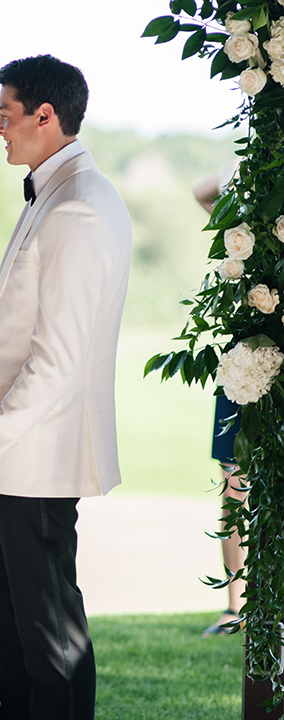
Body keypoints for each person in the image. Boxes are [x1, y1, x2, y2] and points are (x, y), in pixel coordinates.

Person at [0, 55, 132, 720]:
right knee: (4, 635)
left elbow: (56, 363)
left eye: (5, 115)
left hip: (35, 463)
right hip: (8, 457)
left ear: (46, 116)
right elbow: (16, 349)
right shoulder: (57, 193)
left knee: (49, 640)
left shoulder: (78, 209)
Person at [194, 171, 246, 637]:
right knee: (233, 486)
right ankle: (235, 606)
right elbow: (201, 191)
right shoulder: (246, 223)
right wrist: (246, 176)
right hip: (243, 367)